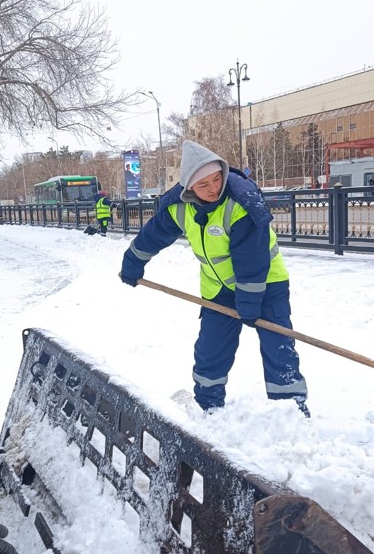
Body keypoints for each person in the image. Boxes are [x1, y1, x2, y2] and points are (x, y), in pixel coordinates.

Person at [119, 140, 309, 416]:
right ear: (188, 188)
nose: (213, 189)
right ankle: (207, 404)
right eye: (203, 185)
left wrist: (249, 302)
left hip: (266, 284)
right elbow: (153, 235)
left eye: (217, 179)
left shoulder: (241, 203)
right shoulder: (178, 208)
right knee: (211, 349)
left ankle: (290, 408)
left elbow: (252, 260)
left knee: (277, 345)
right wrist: (133, 262)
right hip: (218, 289)